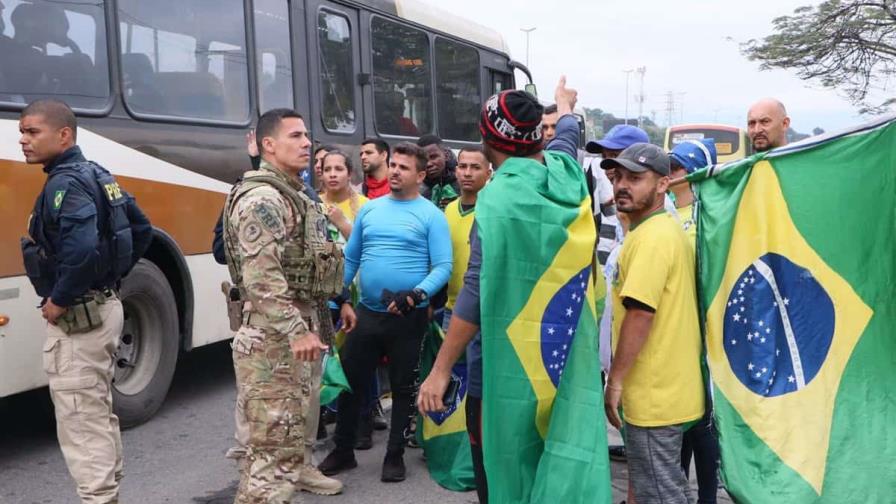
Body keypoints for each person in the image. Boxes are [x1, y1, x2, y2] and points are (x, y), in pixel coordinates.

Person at [417, 77, 583, 503]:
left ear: (487, 138)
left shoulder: (495, 204)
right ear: (536, 138)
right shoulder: (566, 176)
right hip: (560, 360)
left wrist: (440, 370)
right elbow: (567, 137)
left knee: (499, 467)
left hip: (500, 371)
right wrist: (564, 106)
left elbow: (474, 292)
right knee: (550, 462)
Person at [19, 98, 152, 503]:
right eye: (21, 132)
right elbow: (141, 229)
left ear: (64, 136)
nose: (23, 140)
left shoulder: (64, 184)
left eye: (32, 131)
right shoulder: (98, 173)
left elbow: (80, 250)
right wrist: (111, 278)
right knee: (95, 408)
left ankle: (99, 497)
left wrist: (60, 300)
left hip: (81, 318)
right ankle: (107, 491)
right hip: (104, 307)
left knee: (80, 415)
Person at [222, 108, 354, 501]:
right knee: (272, 459)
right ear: (268, 145)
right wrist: (297, 331)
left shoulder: (292, 194)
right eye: (295, 136)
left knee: (279, 449)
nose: (306, 143)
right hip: (274, 340)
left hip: (289, 333)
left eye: (306, 135)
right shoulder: (263, 199)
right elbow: (262, 278)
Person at [319, 142, 452, 483]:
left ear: (419, 175)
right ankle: (343, 450)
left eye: (404, 167)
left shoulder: (431, 215)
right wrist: (340, 298)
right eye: (393, 164)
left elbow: (443, 266)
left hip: (408, 317)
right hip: (367, 312)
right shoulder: (370, 210)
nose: (394, 171)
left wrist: (417, 294)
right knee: (350, 382)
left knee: (404, 387)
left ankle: (395, 455)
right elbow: (352, 258)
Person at [600, 143, 705, 504]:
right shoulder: (656, 230)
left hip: (655, 393)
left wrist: (615, 381)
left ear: (662, 185)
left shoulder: (653, 237)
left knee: (659, 494)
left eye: (635, 178)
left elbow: (641, 313)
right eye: (618, 177)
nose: (622, 185)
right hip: (666, 389)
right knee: (666, 488)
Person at [668, 139, 721, 504]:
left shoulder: (711, 215)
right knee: (682, 421)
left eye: (678, 167)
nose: (670, 173)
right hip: (675, 331)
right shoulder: (666, 210)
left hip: (705, 334)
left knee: (704, 422)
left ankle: (707, 497)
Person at [417, 134, 460, 210]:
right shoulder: (416, 190)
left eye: (433, 157)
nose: (429, 164)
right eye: (424, 160)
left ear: (446, 155)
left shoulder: (462, 183)